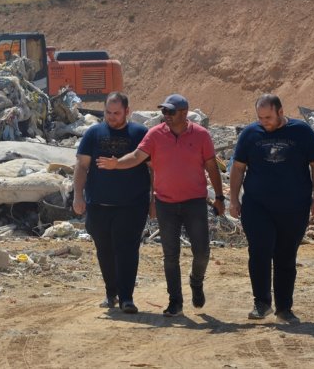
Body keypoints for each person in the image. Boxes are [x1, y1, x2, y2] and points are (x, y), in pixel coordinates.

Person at [97, 94, 224, 317]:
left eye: (170, 112)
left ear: (184, 113)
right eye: (163, 111)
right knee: (170, 255)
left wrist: (220, 197)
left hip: (194, 202)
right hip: (166, 203)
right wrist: (117, 164)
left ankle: (196, 281)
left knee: (202, 252)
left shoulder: (201, 136)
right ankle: (175, 301)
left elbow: (212, 167)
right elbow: (137, 156)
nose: (165, 115)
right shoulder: (155, 134)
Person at [229, 94, 314, 325]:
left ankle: (284, 308)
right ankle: (261, 303)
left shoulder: (302, 132)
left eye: (269, 117)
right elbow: (238, 168)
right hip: (257, 206)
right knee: (259, 252)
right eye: (260, 117)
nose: (264, 122)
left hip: (294, 207)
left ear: (281, 112)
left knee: (285, 256)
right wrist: (234, 199)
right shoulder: (250, 134)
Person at [73, 91, 151, 314]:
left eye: (117, 113)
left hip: (132, 206)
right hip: (99, 205)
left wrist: (154, 199)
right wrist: (78, 196)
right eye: (108, 112)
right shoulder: (93, 134)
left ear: (127, 111)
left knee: (127, 250)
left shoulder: (140, 133)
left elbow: (152, 168)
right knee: (104, 250)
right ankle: (111, 293)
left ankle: (127, 297)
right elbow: (81, 166)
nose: (112, 117)